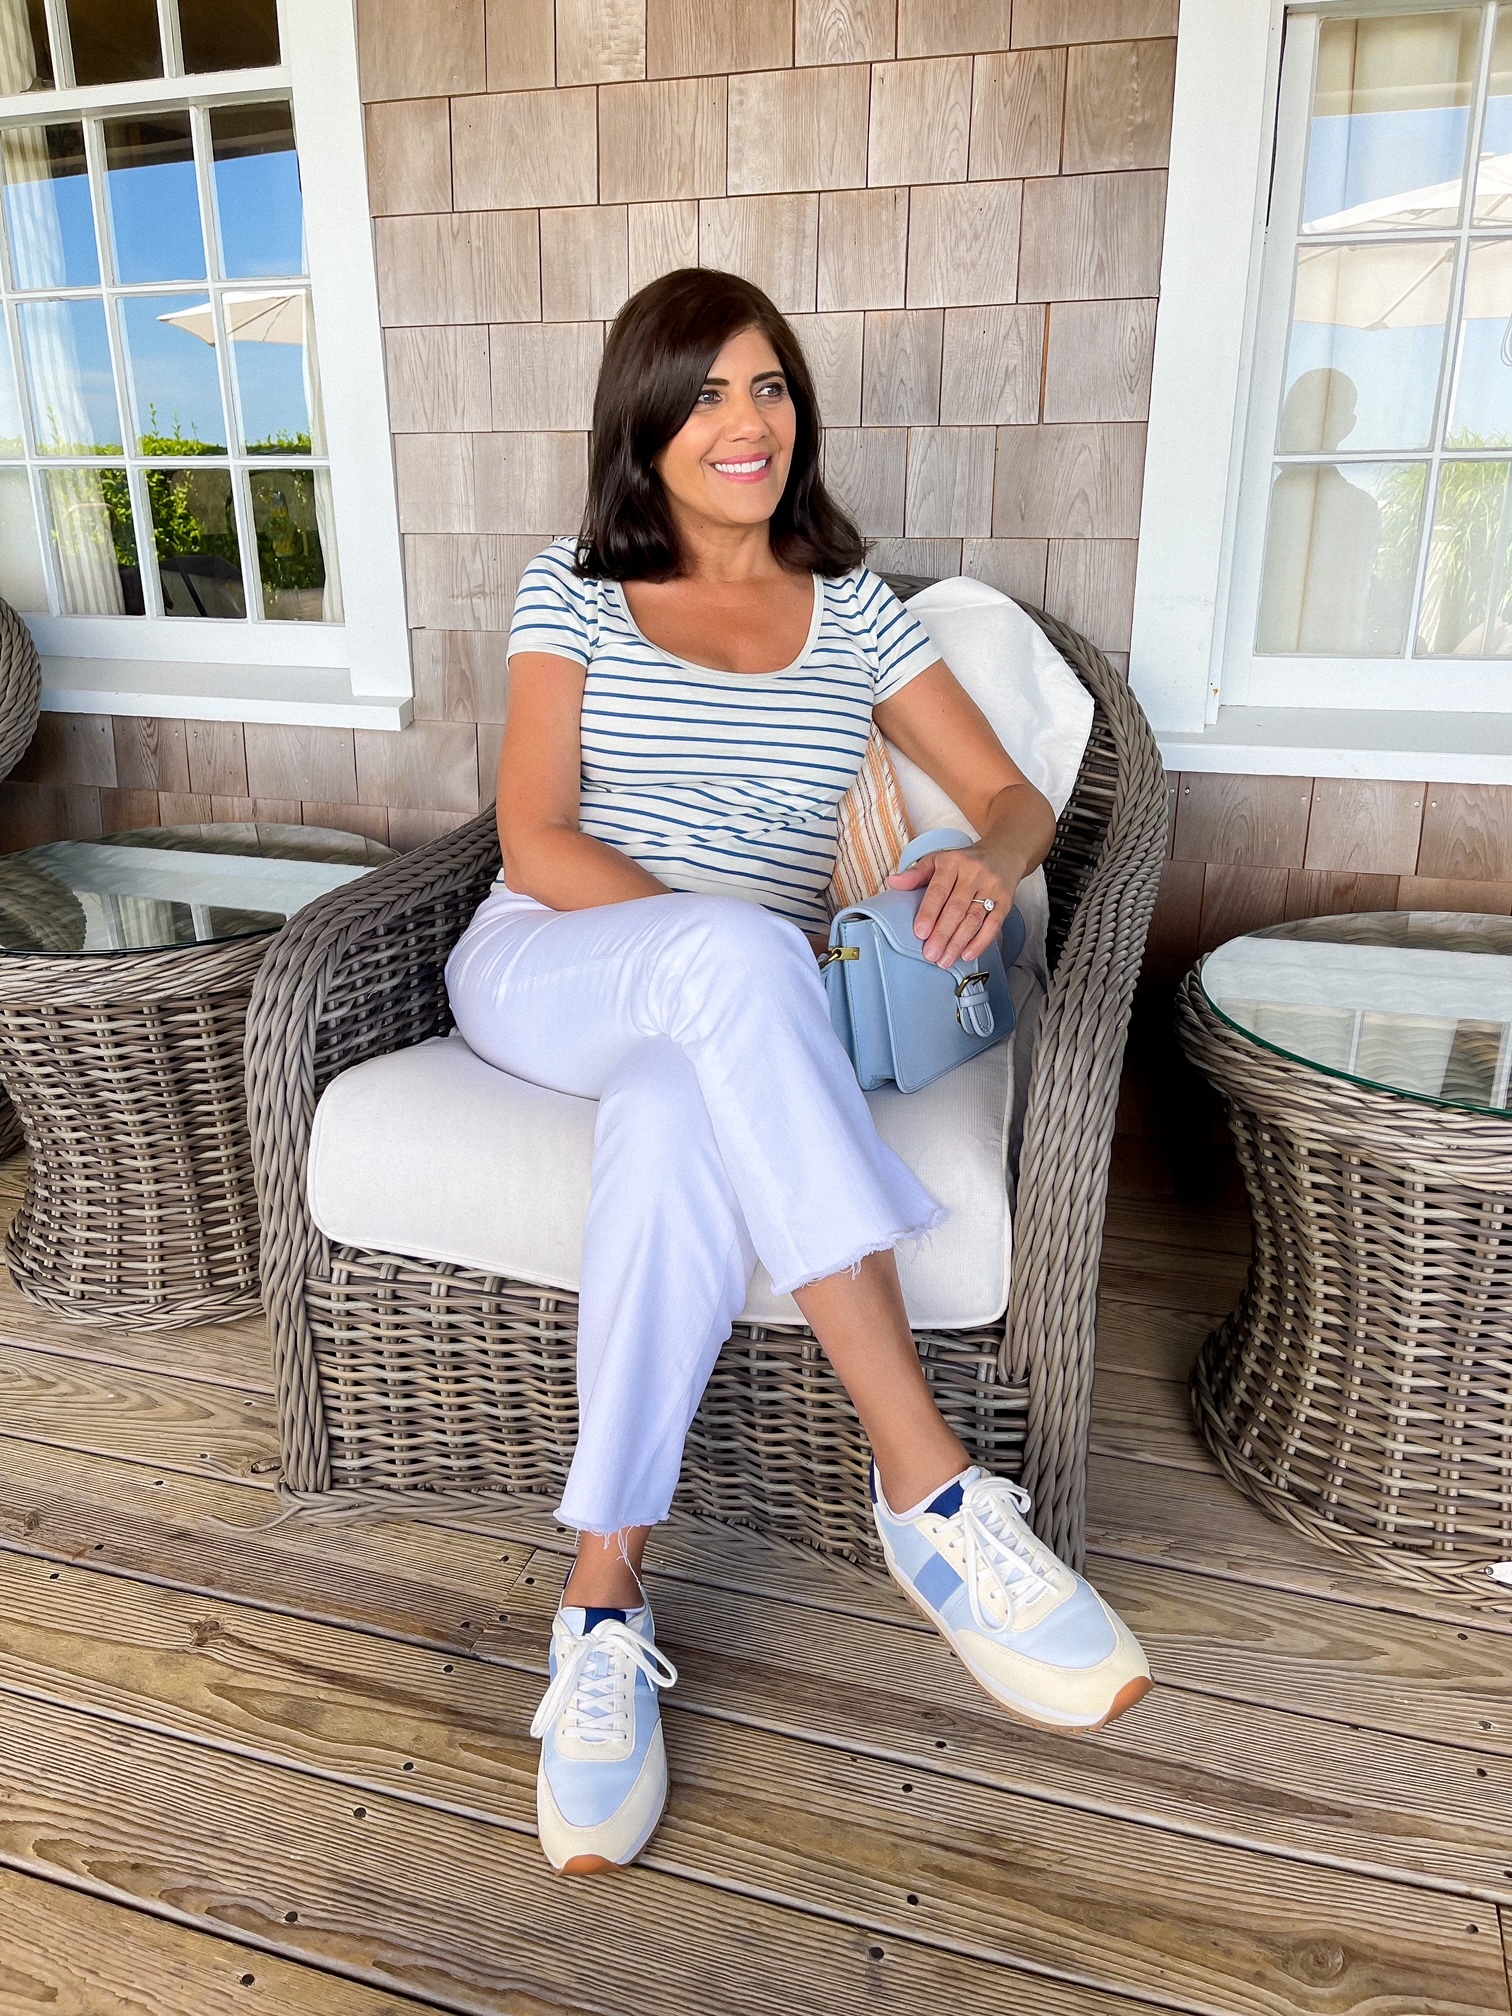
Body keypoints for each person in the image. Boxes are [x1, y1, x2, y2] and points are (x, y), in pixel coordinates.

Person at [445, 268, 1152, 1877]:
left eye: (766, 389)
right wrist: (718, 944)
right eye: (702, 394)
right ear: (645, 421)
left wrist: (983, 860)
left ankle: (603, 1603)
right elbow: (535, 836)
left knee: (683, 1103)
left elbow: (1010, 796)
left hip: (721, 1021)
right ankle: (931, 1484)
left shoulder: (854, 614)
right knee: (740, 960)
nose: (742, 423)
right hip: (551, 957)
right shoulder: (571, 589)